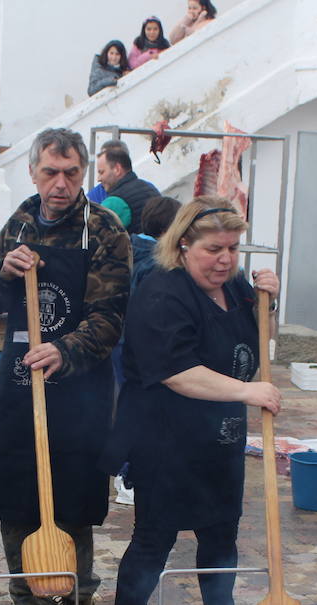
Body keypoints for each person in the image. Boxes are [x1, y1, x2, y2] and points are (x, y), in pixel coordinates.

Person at [0, 127, 131, 605]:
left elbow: (110, 317)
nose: (60, 184)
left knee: (73, 504)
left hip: (79, 398)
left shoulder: (105, 229)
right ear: (33, 172)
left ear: (83, 172)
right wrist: (3, 271)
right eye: (50, 172)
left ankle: (77, 603)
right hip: (19, 391)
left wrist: (64, 350)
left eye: (70, 173)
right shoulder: (20, 223)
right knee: (15, 498)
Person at [105, 198, 278, 605]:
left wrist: (267, 305)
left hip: (220, 441)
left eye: (233, 248)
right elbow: (176, 371)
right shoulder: (161, 292)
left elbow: (259, 345)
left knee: (221, 538)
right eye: (214, 249)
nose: (225, 260)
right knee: (153, 539)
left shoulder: (236, 287)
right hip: (164, 441)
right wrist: (245, 392)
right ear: (183, 244)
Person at [111, 195, 182, 507]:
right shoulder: (157, 263)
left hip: (118, 345)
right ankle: (129, 477)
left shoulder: (128, 250)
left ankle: (126, 471)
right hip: (140, 350)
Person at [95, 140, 159, 229]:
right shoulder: (149, 188)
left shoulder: (114, 202)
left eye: (101, 172)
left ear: (117, 169)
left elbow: (93, 234)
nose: (99, 179)